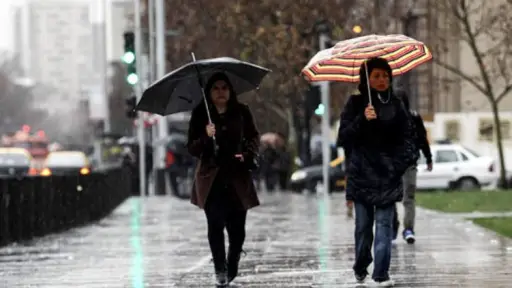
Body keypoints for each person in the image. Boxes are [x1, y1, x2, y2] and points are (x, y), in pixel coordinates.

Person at [337, 57, 418, 286]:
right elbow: (343, 138)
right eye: (376, 76)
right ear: (367, 79)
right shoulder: (355, 104)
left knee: (384, 225)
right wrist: (363, 119)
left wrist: (397, 164)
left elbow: (408, 139)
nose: (382, 80)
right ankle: (361, 265)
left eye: (385, 75)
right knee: (363, 228)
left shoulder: (397, 105)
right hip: (361, 175)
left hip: (387, 176)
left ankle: (381, 274)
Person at [187, 72, 260, 287]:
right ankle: (220, 268)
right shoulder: (201, 114)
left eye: (224, 88)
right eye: (216, 88)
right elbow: (191, 147)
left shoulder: (242, 112)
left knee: (237, 230)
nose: (220, 92)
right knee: (215, 225)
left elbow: (253, 138)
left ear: (230, 90)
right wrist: (205, 136)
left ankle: (233, 261)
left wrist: (246, 155)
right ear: (209, 92)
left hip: (237, 177)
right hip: (212, 179)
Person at [392, 94, 433, 244]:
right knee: (390, 197)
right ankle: (393, 226)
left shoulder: (414, 118)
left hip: (409, 163)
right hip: (391, 165)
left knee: (408, 197)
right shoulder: (387, 120)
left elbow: (422, 138)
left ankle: (408, 229)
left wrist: (428, 158)